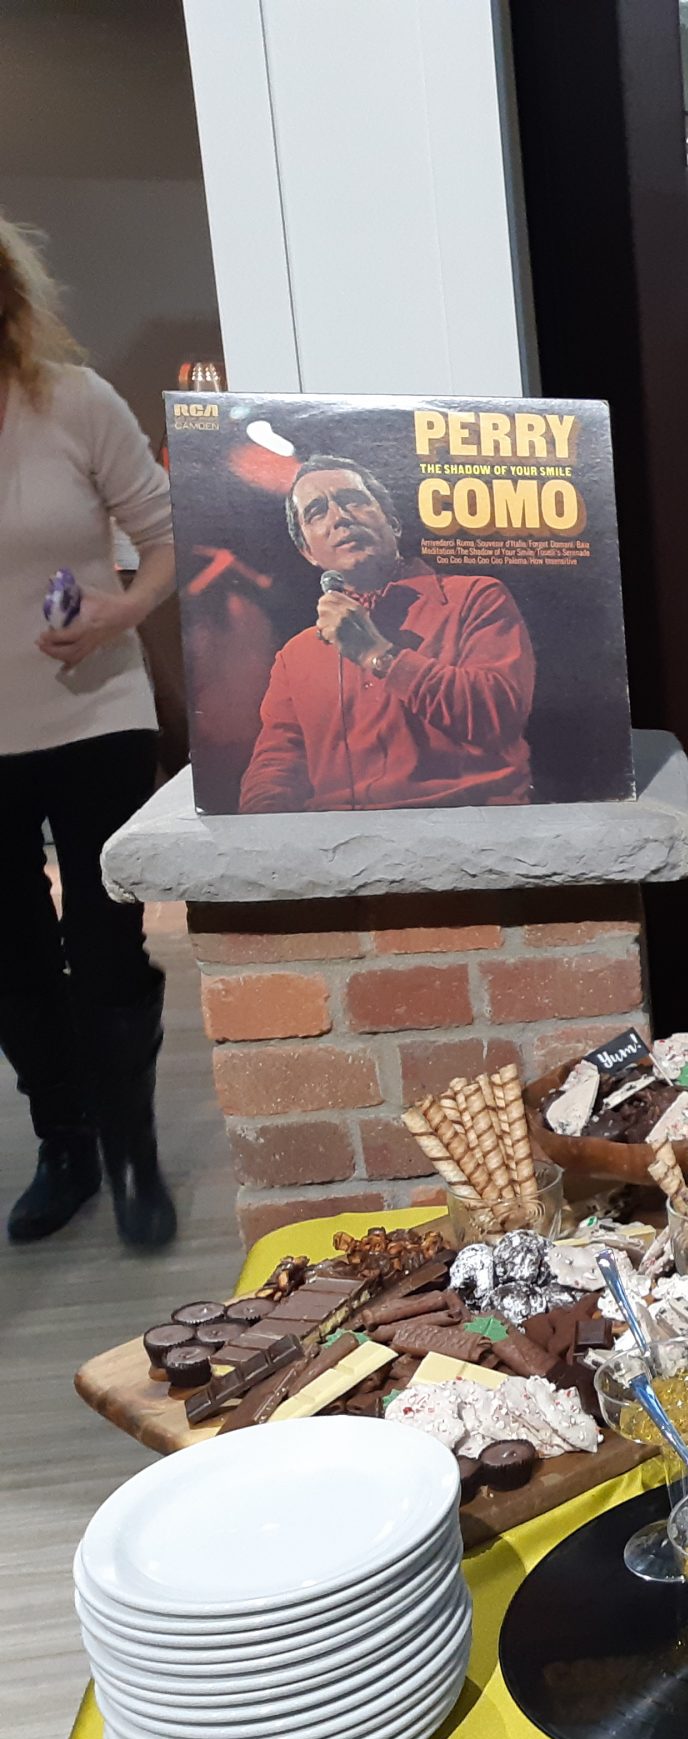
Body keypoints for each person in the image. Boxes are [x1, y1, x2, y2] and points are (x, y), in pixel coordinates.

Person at [0, 216, 176, 1247]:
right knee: (12, 957)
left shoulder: (75, 402)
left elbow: (167, 536)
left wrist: (122, 609)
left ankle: (131, 1153)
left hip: (97, 712)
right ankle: (63, 1144)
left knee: (106, 944)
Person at [236, 456, 536, 811]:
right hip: (338, 837)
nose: (339, 517)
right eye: (317, 512)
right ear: (307, 552)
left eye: (352, 500)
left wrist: (377, 655)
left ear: (393, 524)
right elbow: (274, 766)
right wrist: (260, 830)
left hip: (465, 823)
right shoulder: (295, 656)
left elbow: (499, 716)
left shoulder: (475, 598)